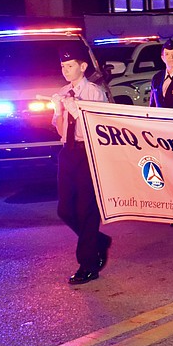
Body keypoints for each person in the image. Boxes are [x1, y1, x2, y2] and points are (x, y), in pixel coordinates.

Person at [51, 44, 110, 285]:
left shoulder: (95, 92)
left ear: (83, 67)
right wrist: (58, 111)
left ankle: (87, 265)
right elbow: (60, 129)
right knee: (65, 209)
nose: (65, 70)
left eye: (70, 65)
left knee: (87, 208)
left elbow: (99, 129)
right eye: (63, 66)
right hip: (68, 151)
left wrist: (76, 110)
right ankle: (98, 241)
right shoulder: (64, 91)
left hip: (88, 152)